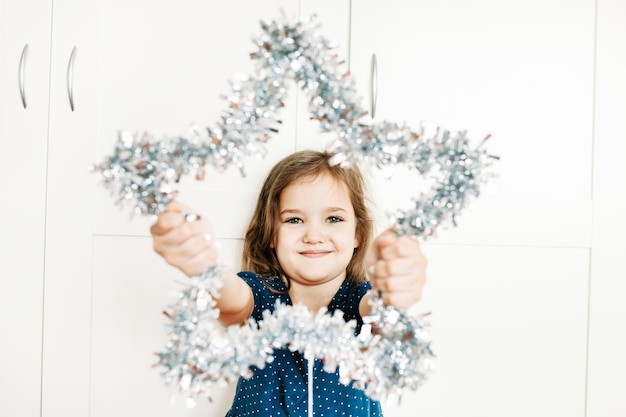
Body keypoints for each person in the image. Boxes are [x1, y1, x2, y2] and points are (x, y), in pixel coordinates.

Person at [150, 149, 428, 417]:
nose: (314, 235)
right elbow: (231, 302)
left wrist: (394, 285)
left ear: (357, 233)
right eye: (294, 219)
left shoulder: (360, 300)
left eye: (334, 218)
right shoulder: (259, 294)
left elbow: (382, 311)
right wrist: (205, 266)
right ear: (272, 234)